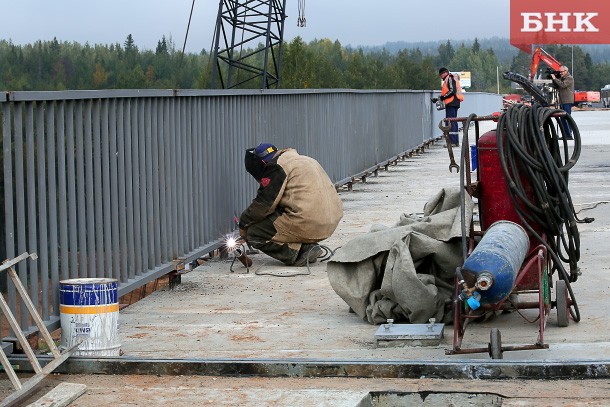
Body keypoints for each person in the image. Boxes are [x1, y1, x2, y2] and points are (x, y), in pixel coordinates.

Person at [239, 143, 344, 266]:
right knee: (280, 217)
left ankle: (299, 252)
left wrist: (243, 223)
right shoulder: (306, 160)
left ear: (262, 164)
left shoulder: (276, 166)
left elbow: (264, 205)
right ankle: (308, 245)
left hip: (308, 221)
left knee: (255, 233)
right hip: (331, 221)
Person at [432, 67, 464, 147]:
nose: (440, 76)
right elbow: (447, 93)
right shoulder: (450, 79)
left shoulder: (449, 78)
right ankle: (455, 141)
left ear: (445, 73)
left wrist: (443, 97)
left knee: (450, 122)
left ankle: (452, 142)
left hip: (452, 103)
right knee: (453, 121)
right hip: (454, 102)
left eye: (441, 74)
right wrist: (438, 99)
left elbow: (452, 91)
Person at [551, 65, 575, 139]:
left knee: (567, 117)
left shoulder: (569, 78)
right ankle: (566, 134)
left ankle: (569, 134)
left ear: (566, 71)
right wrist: (554, 80)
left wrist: (555, 78)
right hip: (562, 101)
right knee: (562, 118)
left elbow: (563, 85)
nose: (560, 73)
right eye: (560, 72)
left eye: (561, 72)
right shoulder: (562, 78)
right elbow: (558, 86)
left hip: (567, 101)